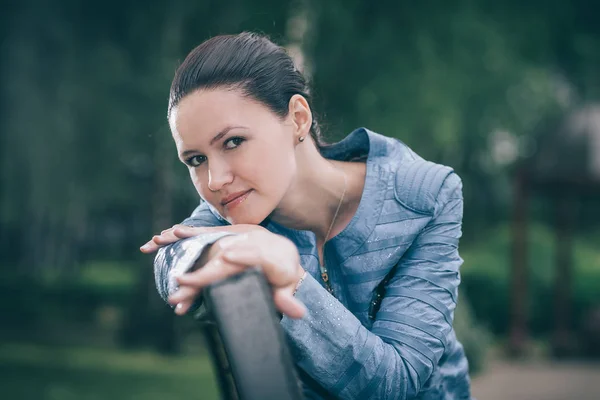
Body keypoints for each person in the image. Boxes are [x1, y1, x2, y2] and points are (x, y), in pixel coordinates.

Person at [140, 32, 472, 400]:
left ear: (297, 118)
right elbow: (170, 257)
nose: (215, 180)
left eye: (233, 142)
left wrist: (293, 278)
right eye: (196, 160)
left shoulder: (425, 196)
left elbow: (398, 382)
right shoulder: (231, 212)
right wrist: (234, 250)